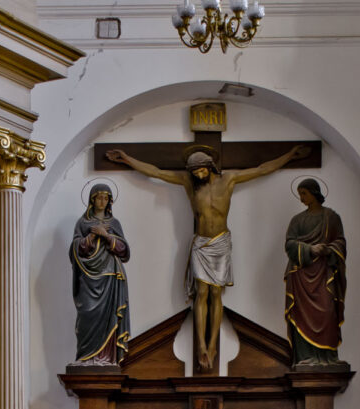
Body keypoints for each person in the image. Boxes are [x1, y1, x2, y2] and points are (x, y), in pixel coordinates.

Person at [106, 144, 309, 372]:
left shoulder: (229, 180)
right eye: (194, 172)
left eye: (200, 170)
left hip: (220, 243)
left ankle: (212, 346)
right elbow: (156, 172)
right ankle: (201, 345)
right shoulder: (188, 183)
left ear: (209, 166)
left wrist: (290, 155)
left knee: (216, 293)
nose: (197, 175)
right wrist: (127, 159)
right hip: (201, 244)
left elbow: (262, 169)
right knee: (201, 293)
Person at [284, 178, 346, 366]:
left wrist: (328, 250)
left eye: (304, 193)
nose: (302, 198)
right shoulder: (297, 220)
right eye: (300, 194)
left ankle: (328, 358)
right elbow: (289, 244)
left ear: (314, 192)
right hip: (302, 275)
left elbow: (340, 242)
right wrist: (310, 249)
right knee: (302, 315)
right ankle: (306, 357)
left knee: (327, 311)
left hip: (324, 274)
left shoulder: (331, 217)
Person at [69, 183, 131, 365]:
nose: (102, 201)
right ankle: (86, 357)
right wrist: (90, 237)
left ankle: (106, 358)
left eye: (105, 198)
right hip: (88, 278)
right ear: (92, 200)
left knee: (109, 318)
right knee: (87, 316)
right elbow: (75, 250)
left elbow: (125, 251)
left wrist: (106, 235)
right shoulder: (82, 223)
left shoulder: (114, 224)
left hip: (110, 276)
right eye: (99, 198)